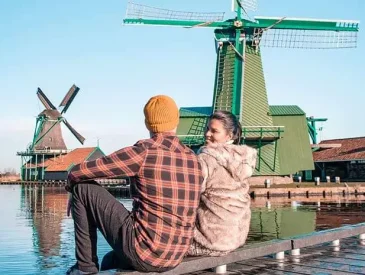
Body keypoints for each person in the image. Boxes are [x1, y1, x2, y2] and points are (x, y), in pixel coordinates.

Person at [65, 95, 203, 275]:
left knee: (82, 188)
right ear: (176, 121)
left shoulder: (144, 152)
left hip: (145, 253)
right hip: (176, 256)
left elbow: (78, 172)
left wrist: (71, 187)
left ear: (147, 124)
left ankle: (85, 268)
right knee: (109, 260)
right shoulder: (193, 158)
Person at [187, 110, 257, 256]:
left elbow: (190, 195)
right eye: (207, 129)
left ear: (229, 135)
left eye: (214, 131)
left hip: (208, 241)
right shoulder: (243, 161)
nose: (207, 134)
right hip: (235, 238)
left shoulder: (206, 159)